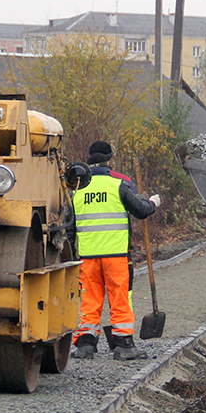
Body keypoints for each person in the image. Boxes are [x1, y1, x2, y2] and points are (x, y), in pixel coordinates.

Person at [70, 141, 160, 361]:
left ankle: (85, 344)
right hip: (116, 256)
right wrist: (153, 203)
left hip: (87, 258)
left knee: (89, 299)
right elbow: (140, 210)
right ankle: (123, 344)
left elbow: (70, 227)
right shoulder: (119, 184)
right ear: (109, 159)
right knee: (119, 298)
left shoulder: (77, 191)